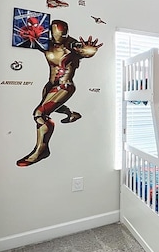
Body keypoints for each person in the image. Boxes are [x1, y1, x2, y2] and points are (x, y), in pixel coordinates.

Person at [16, 19, 102, 167]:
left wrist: (89, 50)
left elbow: (84, 51)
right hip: (50, 84)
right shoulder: (46, 44)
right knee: (49, 106)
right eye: (55, 33)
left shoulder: (72, 46)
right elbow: (28, 39)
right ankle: (71, 114)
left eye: (61, 34)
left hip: (64, 86)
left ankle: (41, 150)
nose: (58, 37)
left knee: (40, 114)